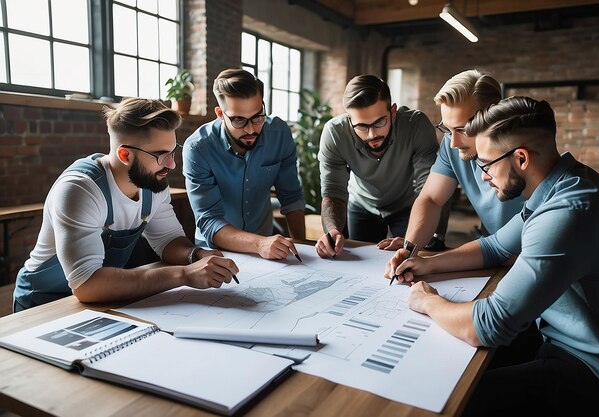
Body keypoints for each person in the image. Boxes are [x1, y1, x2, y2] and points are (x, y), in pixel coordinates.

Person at [388, 96, 599, 417]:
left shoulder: (568, 212)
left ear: (521, 158)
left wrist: (426, 301)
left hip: (592, 369)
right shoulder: (561, 183)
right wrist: (427, 264)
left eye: (486, 164)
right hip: (557, 339)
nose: (482, 177)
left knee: (443, 403)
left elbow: (488, 325)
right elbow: (496, 246)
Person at [14, 98, 239, 312]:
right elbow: (87, 284)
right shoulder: (79, 190)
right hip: (43, 302)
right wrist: (185, 274)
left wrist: (197, 255)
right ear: (124, 154)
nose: (171, 164)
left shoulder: (153, 182)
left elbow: (169, 240)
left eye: (172, 152)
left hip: (101, 299)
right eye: (160, 155)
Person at [380, 69, 525, 259]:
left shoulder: (523, 154)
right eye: (447, 129)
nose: (454, 143)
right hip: (493, 253)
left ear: (494, 117)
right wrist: (410, 247)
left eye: (462, 129)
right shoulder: (452, 144)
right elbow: (431, 199)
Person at [183, 68, 305, 260]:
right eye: (239, 119)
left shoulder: (279, 134)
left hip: (268, 251)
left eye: (257, 116)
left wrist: (302, 246)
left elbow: (291, 196)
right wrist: (258, 244)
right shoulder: (198, 148)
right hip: (216, 253)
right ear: (220, 114)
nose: (251, 129)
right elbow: (209, 220)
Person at [315, 74, 442, 258]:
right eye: (361, 126)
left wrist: (422, 240)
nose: (372, 135)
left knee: (415, 258)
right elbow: (333, 192)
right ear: (349, 120)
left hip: (407, 205)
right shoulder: (334, 133)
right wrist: (332, 230)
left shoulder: (416, 125)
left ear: (393, 111)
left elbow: (431, 188)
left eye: (379, 122)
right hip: (361, 204)